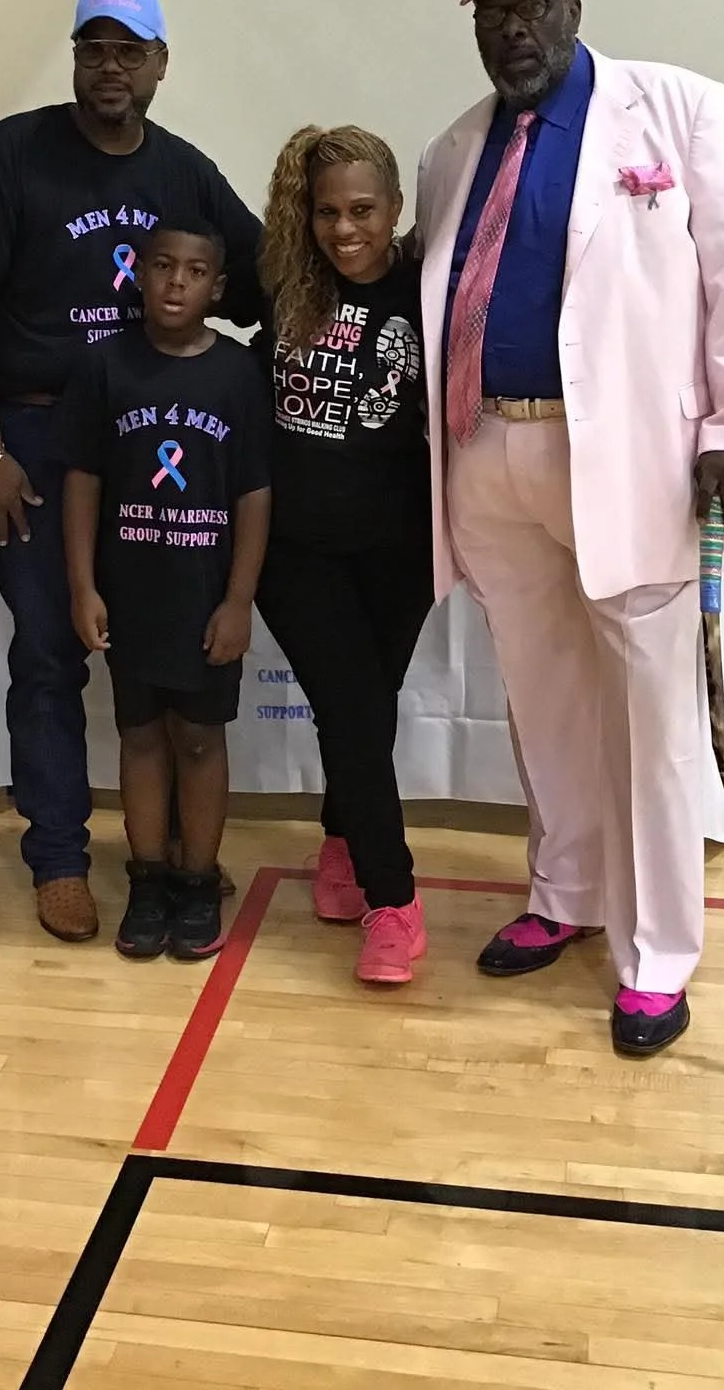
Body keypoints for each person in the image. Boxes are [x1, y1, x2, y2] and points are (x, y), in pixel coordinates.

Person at [415, 0, 724, 1056]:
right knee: (543, 696)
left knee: (656, 719)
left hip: (632, 462)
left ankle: (659, 951)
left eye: (532, 5)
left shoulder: (679, 111)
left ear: (574, 8)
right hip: (492, 454)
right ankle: (566, 891)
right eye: (492, 10)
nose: (513, 28)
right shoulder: (453, 147)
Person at [0, 0, 261, 942]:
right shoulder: (16, 155)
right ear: (75, 56)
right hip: (39, 440)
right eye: (94, 48)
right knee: (49, 648)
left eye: (131, 51)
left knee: (168, 658)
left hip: (161, 449)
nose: (111, 67)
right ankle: (60, 858)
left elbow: (264, 276)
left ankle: (176, 865)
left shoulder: (183, 172)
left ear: (161, 64)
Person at [59, 222, 270, 961]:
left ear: (217, 286)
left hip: (205, 599)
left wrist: (239, 599)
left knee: (202, 740)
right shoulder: (104, 367)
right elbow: (82, 481)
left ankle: (195, 878)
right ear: (138, 275)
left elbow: (253, 494)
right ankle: (147, 878)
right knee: (141, 736)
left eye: (195, 270)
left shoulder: (239, 375)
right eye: (162, 267)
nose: (177, 282)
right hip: (131, 595)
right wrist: (83, 585)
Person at [255, 127, 434, 986]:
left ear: (396, 209)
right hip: (294, 551)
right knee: (354, 711)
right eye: (327, 211)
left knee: (368, 709)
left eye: (362, 209)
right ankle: (394, 900)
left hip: (399, 549)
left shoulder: (429, 288)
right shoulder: (287, 282)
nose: (344, 228)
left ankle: (338, 839)